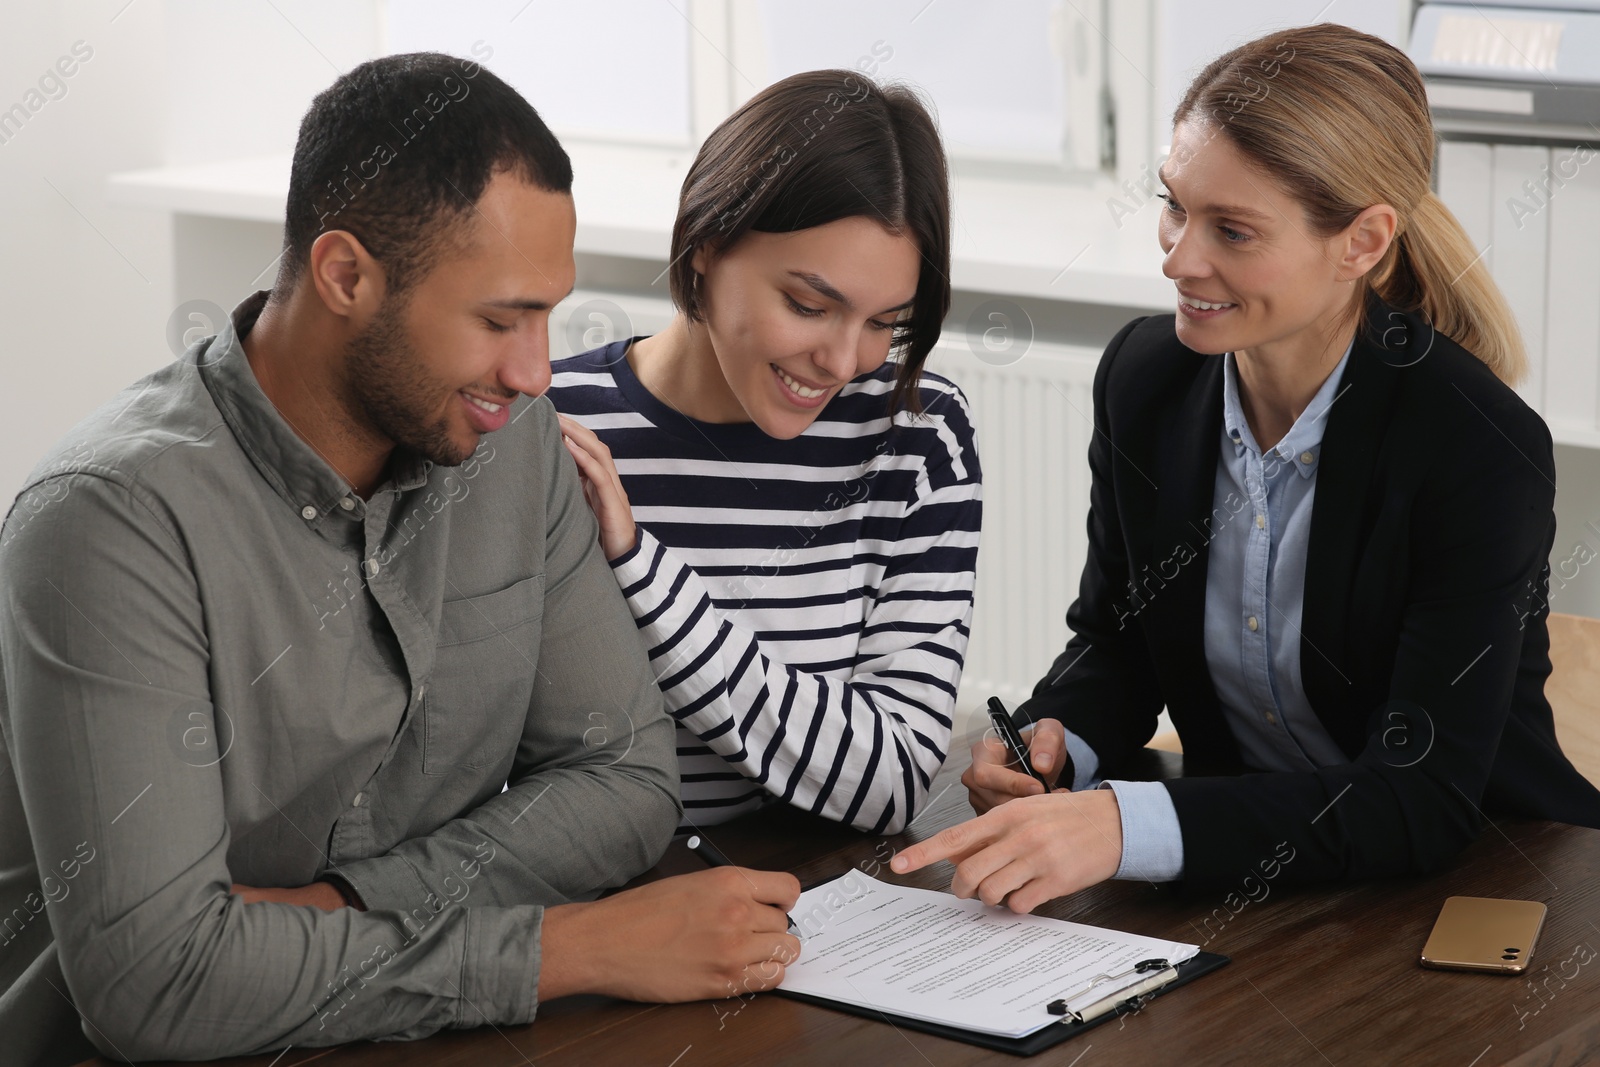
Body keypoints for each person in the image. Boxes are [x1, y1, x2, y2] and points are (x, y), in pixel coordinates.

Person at [0, 54, 799, 1066]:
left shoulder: (513, 447)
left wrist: (335, 907)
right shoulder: (107, 523)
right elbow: (159, 983)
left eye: (548, 313)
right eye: (499, 318)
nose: (536, 369)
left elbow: (627, 778)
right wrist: (564, 945)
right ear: (345, 276)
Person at [893, 23, 1600, 911]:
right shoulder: (1145, 382)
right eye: (1175, 206)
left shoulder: (1475, 446)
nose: (1179, 257)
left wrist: (1122, 825)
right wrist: (1053, 741)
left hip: (1482, 886)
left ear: (1363, 241)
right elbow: (1118, 641)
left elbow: (1418, 796)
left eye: (1231, 229)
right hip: (1256, 881)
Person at [550, 70, 981, 835]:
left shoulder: (918, 435)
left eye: (886, 321)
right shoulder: (553, 431)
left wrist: (640, 570)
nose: (844, 359)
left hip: (815, 914)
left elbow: (891, 781)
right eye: (810, 306)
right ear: (707, 246)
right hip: (608, 911)